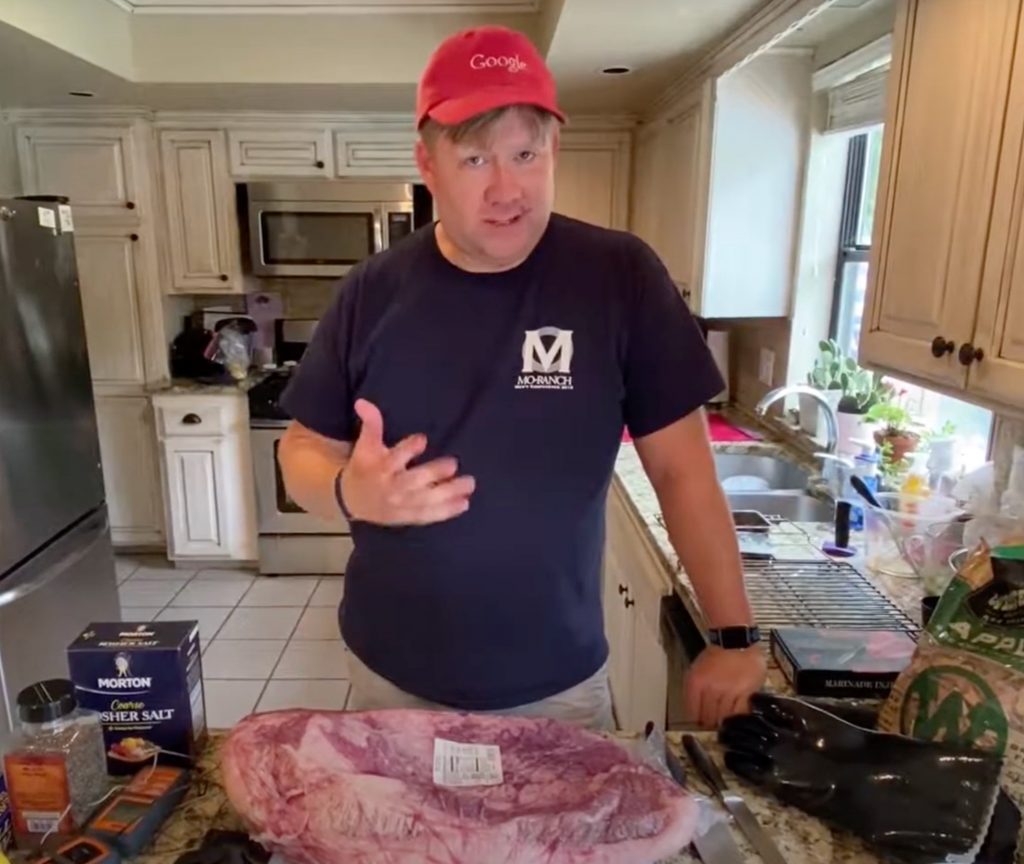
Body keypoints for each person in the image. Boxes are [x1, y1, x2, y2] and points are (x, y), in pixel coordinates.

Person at [277, 24, 766, 730]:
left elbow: (684, 471)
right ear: (428, 164)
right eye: (475, 158)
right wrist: (349, 492)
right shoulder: (371, 291)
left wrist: (732, 637)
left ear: (553, 150)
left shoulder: (620, 277)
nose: (507, 188)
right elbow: (301, 451)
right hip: (392, 678)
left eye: (525, 153)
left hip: (558, 685)